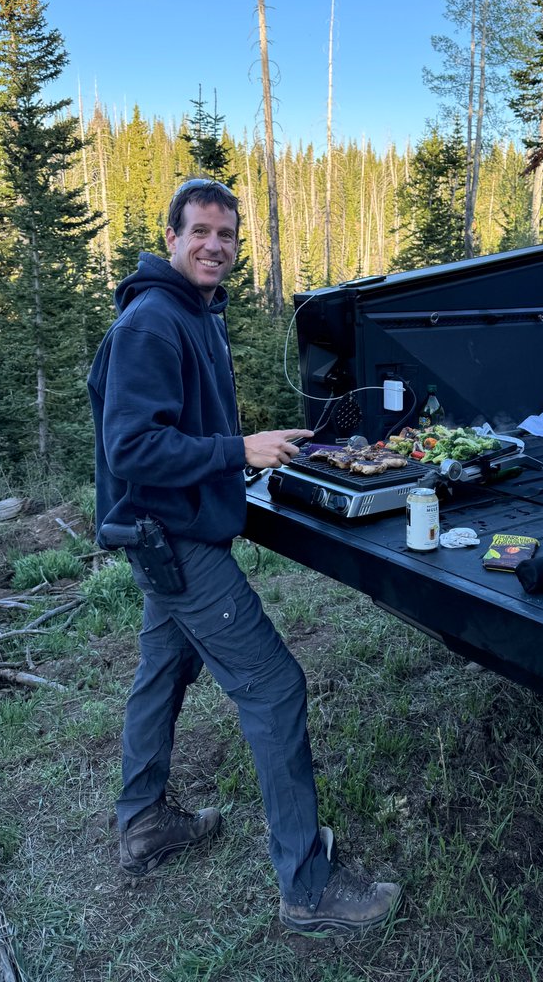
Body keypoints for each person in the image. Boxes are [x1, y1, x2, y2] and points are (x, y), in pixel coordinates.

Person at [87, 177, 401, 934]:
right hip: (177, 539)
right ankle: (308, 889)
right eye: (200, 232)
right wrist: (239, 449)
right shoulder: (153, 321)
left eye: (226, 236)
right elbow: (130, 447)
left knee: (163, 670)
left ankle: (142, 822)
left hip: (170, 532)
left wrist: (248, 453)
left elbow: (177, 426)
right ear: (170, 237)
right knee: (275, 688)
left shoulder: (194, 312)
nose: (214, 247)